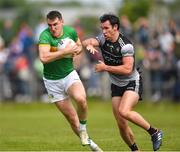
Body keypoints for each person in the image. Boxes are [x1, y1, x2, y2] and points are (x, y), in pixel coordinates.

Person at [82, 13, 163, 151]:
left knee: (124, 111)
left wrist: (105, 67)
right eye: (102, 28)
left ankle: (155, 132)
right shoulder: (103, 39)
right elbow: (85, 41)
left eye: (107, 28)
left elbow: (127, 69)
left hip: (132, 82)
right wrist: (88, 44)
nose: (104, 31)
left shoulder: (126, 45)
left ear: (115, 27)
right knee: (121, 123)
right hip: (116, 85)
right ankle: (135, 150)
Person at [38, 10, 102, 151]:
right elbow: (43, 58)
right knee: (73, 119)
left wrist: (75, 50)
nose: (52, 28)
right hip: (52, 82)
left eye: (55, 24)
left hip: (69, 75)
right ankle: (92, 145)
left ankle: (83, 129)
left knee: (81, 99)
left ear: (61, 22)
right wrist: (63, 52)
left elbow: (79, 46)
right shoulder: (45, 36)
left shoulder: (70, 32)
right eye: (50, 25)